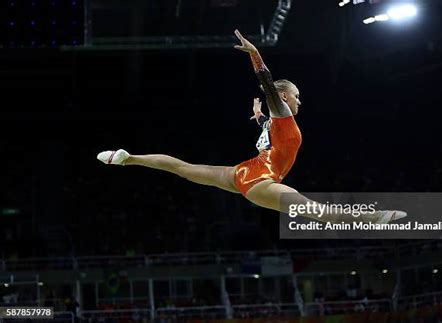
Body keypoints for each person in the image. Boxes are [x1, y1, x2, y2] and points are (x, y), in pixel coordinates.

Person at [97, 29, 405, 224]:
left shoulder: (274, 121)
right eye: (296, 96)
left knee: (182, 168)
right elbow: (268, 85)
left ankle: (127, 158)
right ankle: (373, 217)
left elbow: (270, 140)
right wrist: (256, 56)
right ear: (284, 97)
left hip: (242, 172)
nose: (299, 102)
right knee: (316, 211)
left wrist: (259, 118)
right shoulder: (282, 111)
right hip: (262, 181)